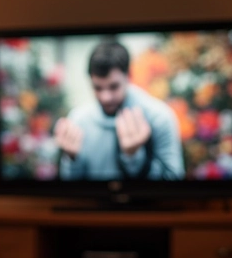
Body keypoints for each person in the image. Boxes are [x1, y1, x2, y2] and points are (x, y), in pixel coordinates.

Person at [55, 41, 185, 180]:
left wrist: (134, 156)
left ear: (128, 76)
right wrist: (72, 158)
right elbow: (70, 187)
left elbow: (174, 179)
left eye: (114, 86)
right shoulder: (78, 120)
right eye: (98, 88)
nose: (105, 97)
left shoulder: (159, 117)